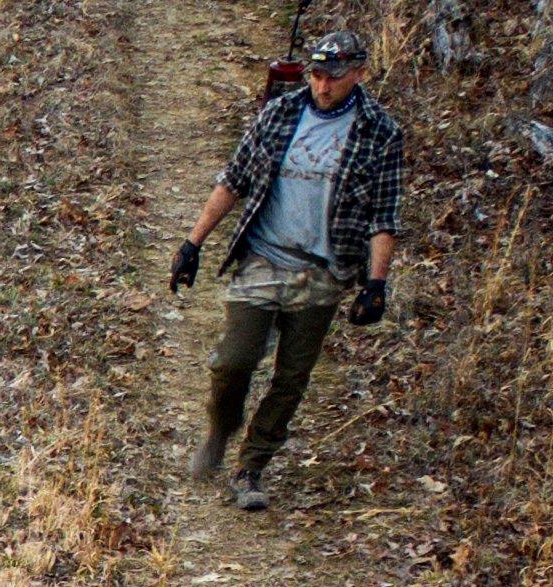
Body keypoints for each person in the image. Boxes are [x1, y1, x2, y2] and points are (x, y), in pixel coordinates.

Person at [165, 29, 404, 511]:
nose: (323, 86)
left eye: (334, 77)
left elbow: (384, 214)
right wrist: (192, 243)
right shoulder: (280, 114)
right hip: (262, 259)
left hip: (323, 270)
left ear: (358, 74)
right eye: (316, 75)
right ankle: (221, 428)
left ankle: (251, 466)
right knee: (233, 361)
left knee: (291, 377)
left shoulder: (381, 132)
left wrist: (375, 283)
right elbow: (233, 180)